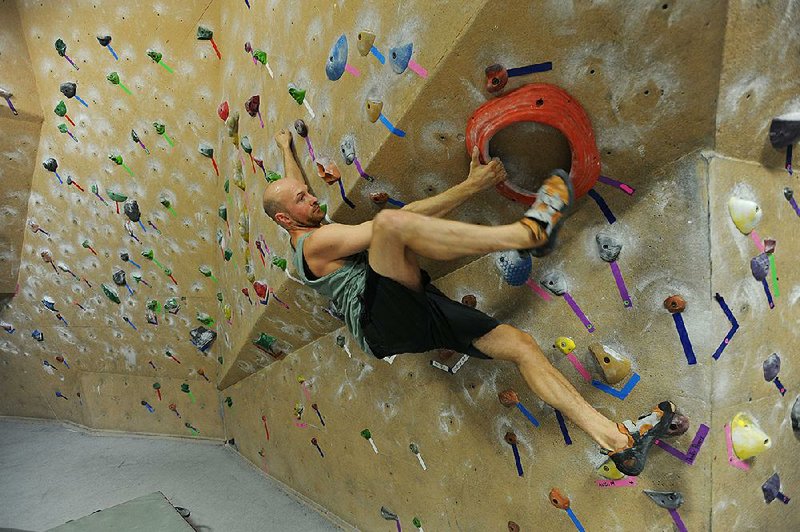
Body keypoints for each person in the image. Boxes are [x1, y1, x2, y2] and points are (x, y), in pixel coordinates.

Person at [262, 128, 680, 476]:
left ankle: (616, 440)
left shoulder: (302, 224)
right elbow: (399, 224)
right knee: (390, 225)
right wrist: (473, 185)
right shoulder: (317, 242)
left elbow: (291, 192)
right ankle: (525, 234)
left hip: (411, 306)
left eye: (306, 193)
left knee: (520, 346)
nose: (312, 198)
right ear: (286, 220)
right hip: (380, 320)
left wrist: (286, 149)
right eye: (302, 200)